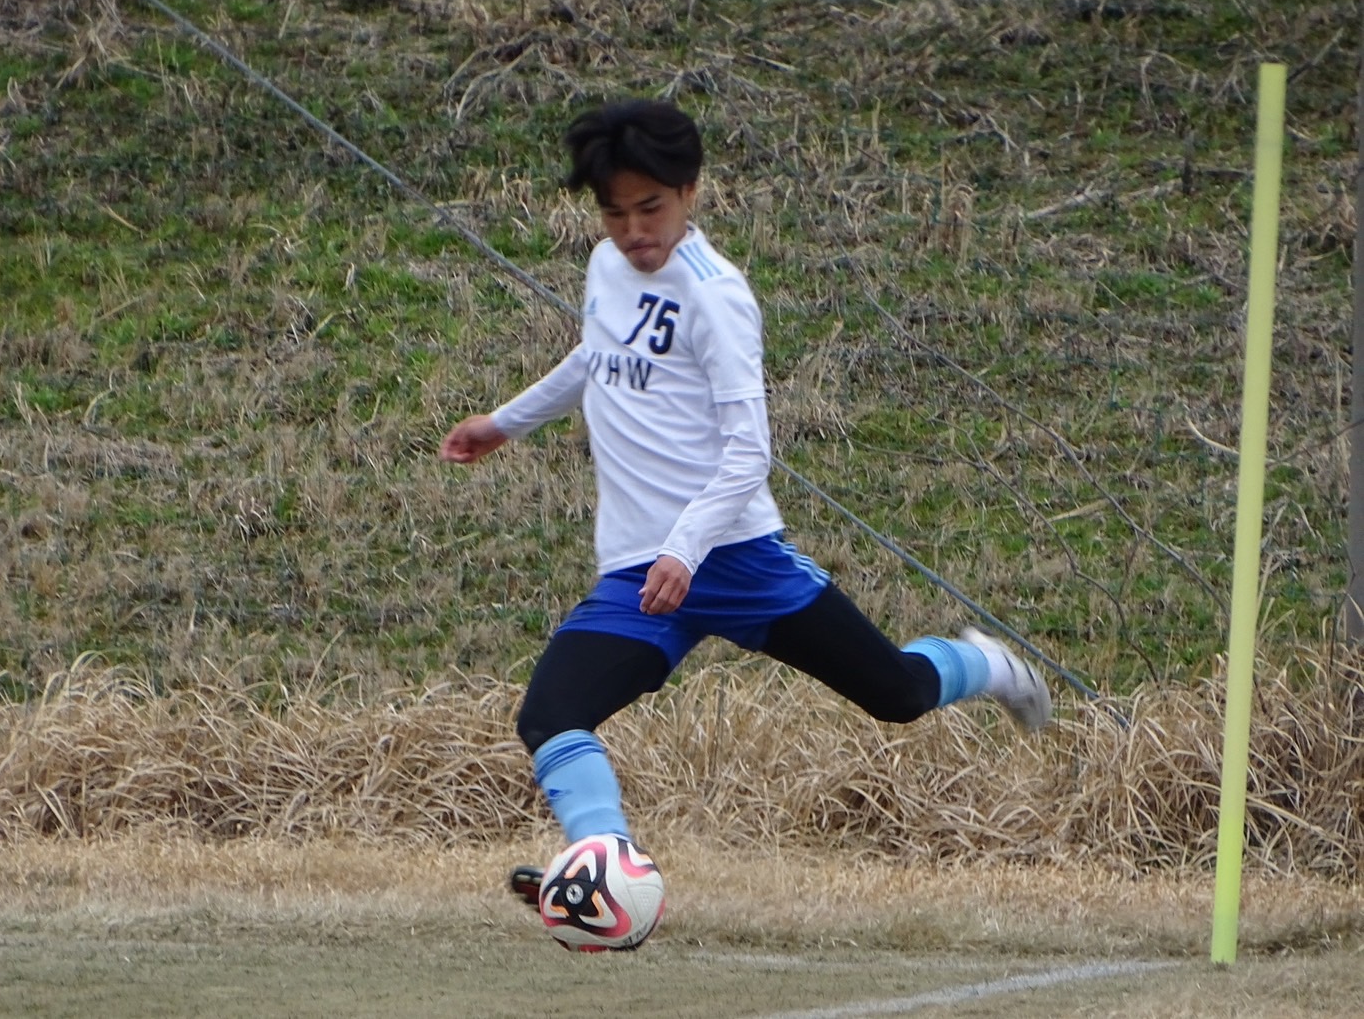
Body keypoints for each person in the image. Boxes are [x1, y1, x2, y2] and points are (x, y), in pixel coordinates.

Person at [439, 99, 1051, 903]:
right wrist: (503, 423)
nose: (633, 231)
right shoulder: (604, 267)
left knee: (897, 695)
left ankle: (988, 664)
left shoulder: (716, 296)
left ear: (689, 192)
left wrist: (685, 548)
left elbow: (747, 452)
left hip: (734, 560)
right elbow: (593, 357)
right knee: (551, 715)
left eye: (650, 208)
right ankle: (606, 871)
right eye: (615, 213)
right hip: (640, 574)